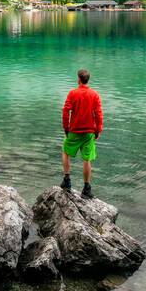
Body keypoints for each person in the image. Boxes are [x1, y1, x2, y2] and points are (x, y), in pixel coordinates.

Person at [60, 68, 102, 199]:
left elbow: (66, 111)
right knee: (86, 159)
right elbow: (98, 114)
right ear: (87, 79)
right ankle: (86, 188)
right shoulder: (94, 94)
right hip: (89, 132)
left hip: (74, 130)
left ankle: (67, 180)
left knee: (65, 152)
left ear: (79, 79)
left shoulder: (72, 93)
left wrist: (66, 128)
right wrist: (98, 129)